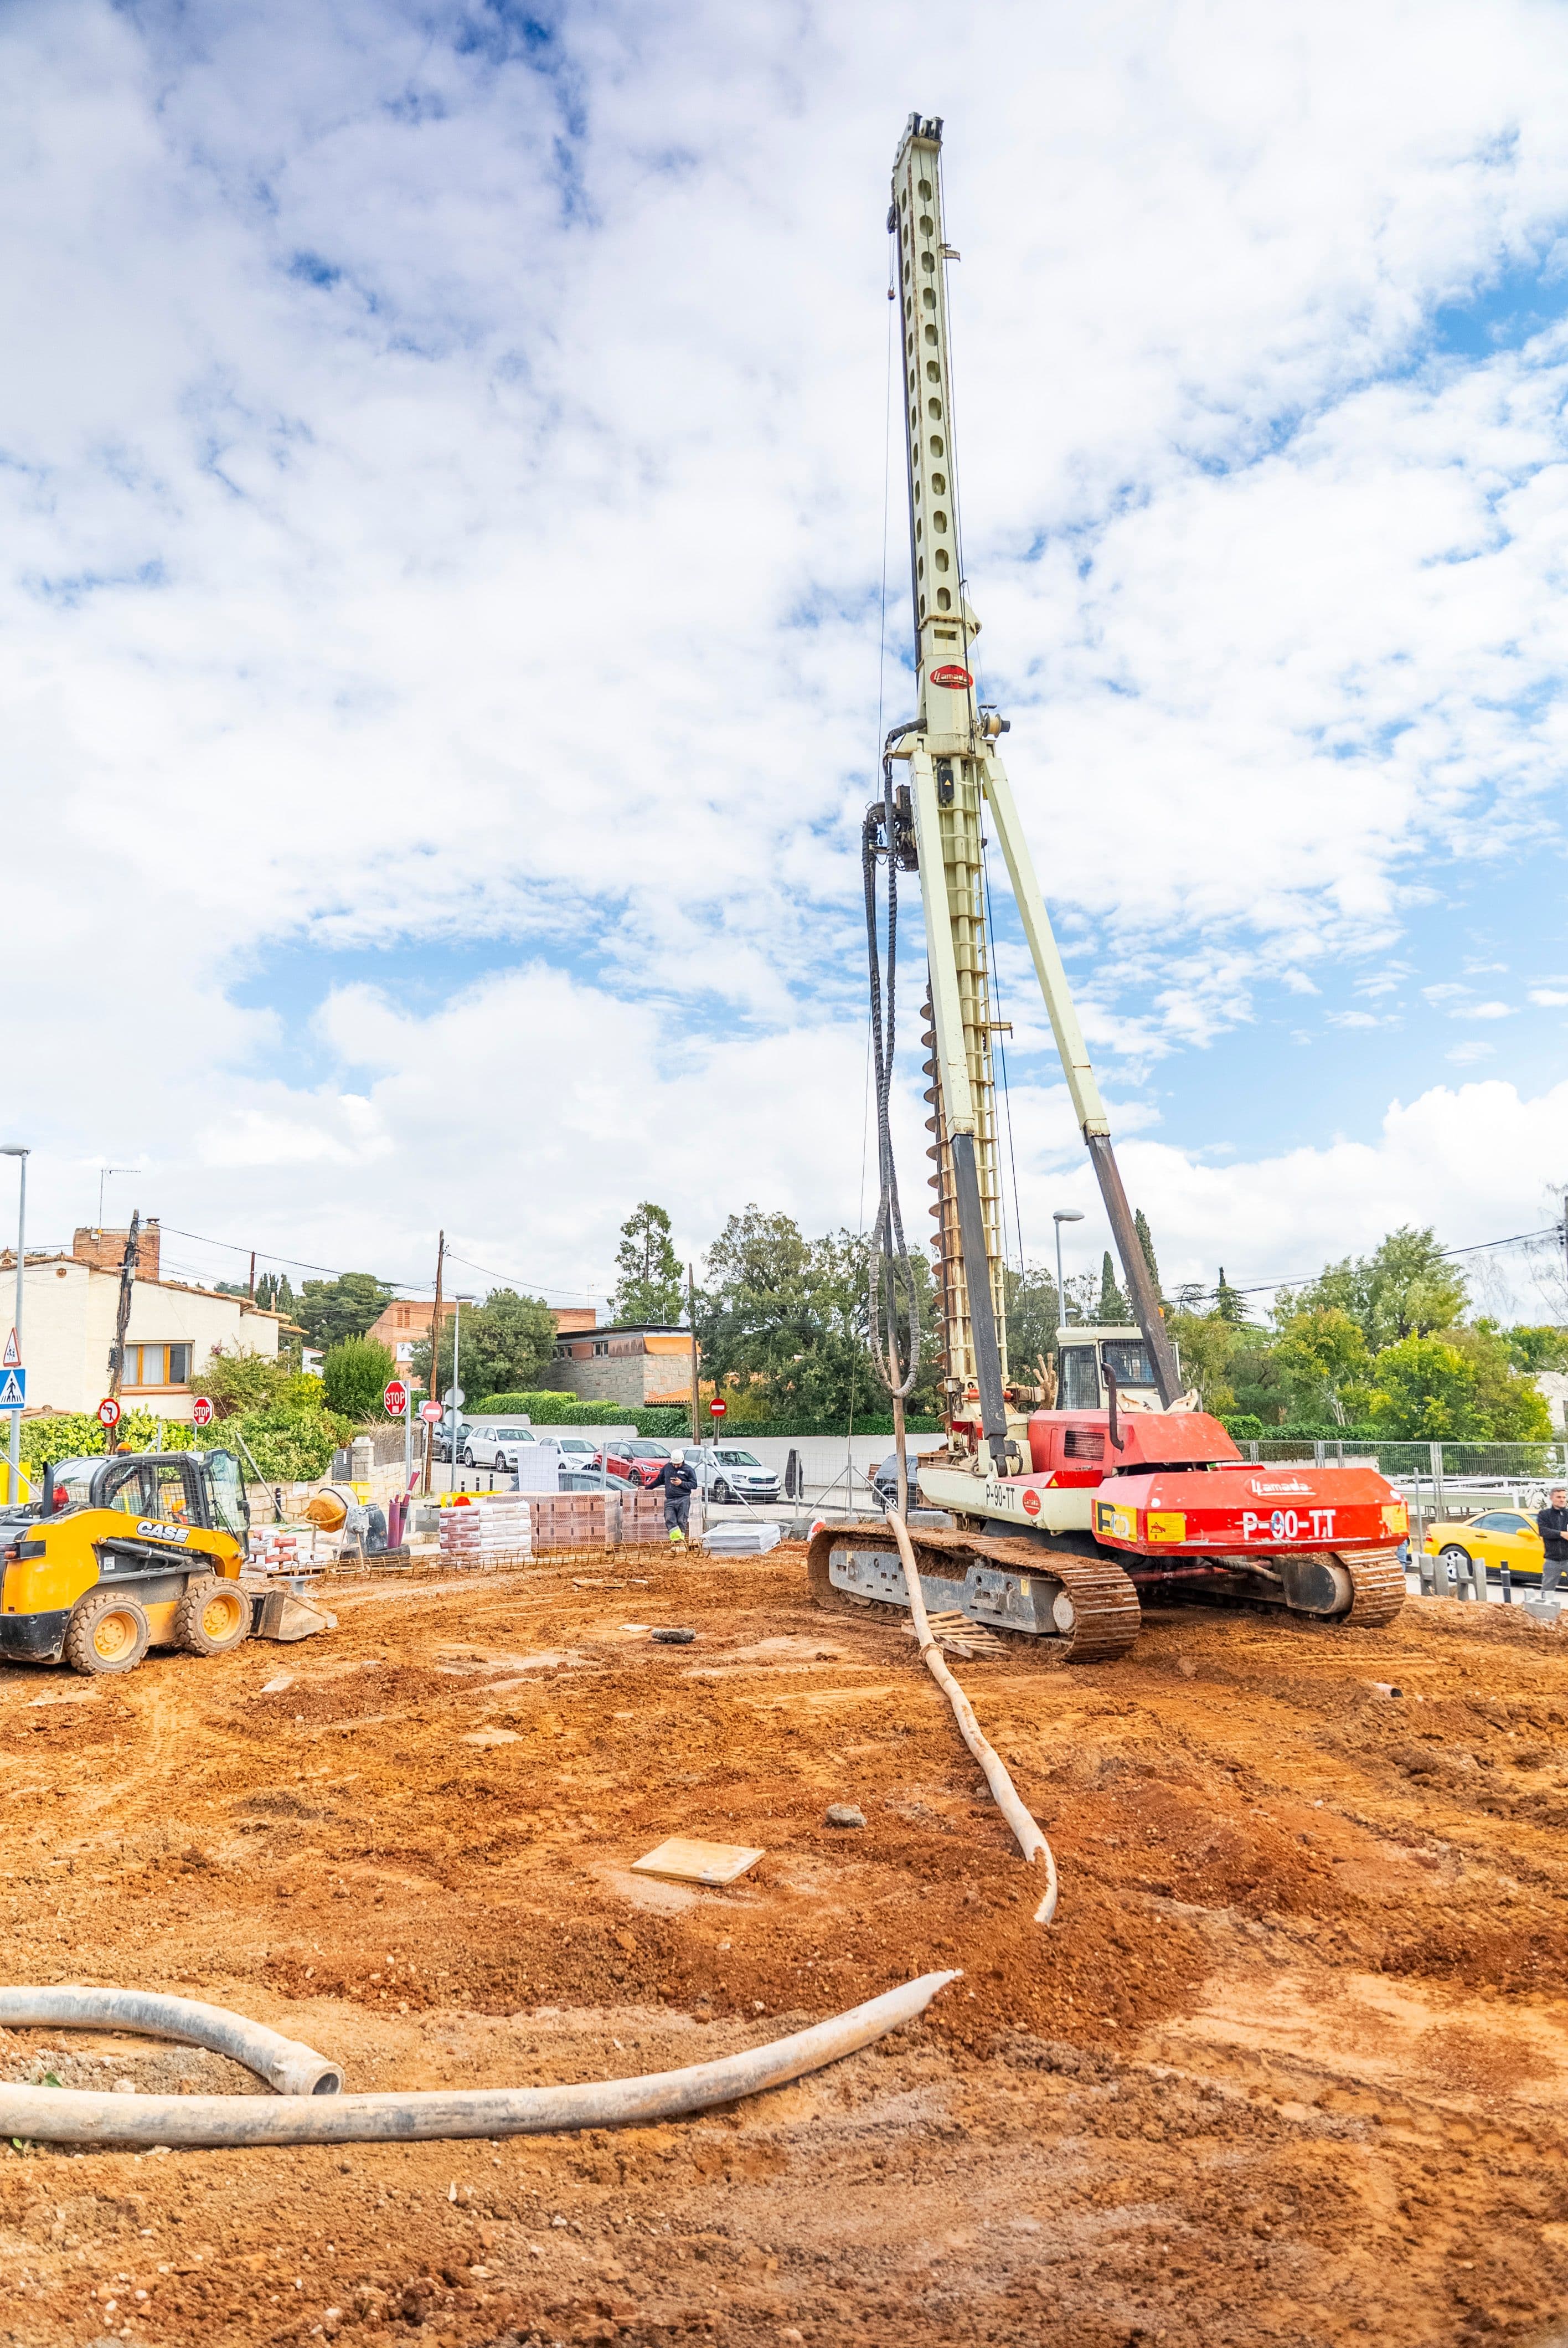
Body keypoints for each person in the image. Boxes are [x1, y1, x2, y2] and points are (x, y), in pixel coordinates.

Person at [659, 1448, 699, 1545]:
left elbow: (694, 1485)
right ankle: (677, 1541)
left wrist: (681, 1483)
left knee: (681, 1520)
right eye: (674, 1464)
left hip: (684, 1498)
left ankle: (680, 1544)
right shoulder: (667, 1468)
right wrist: (647, 1487)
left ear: (683, 1461)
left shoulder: (689, 1470)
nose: (676, 1466)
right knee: (669, 1519)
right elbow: (659, 1480)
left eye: (678, 1464)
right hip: (670, 1499)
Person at [1538, 1487, 1568, 1598]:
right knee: (1547, 1590)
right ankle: (1544, 1613)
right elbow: (1543, 1531)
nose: (1562, 1500)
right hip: (1552, 1560)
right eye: (1559, 1497)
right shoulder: (1544, 1514)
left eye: (1564, 1497)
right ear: (1552, 1498)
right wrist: (1561, 1534)